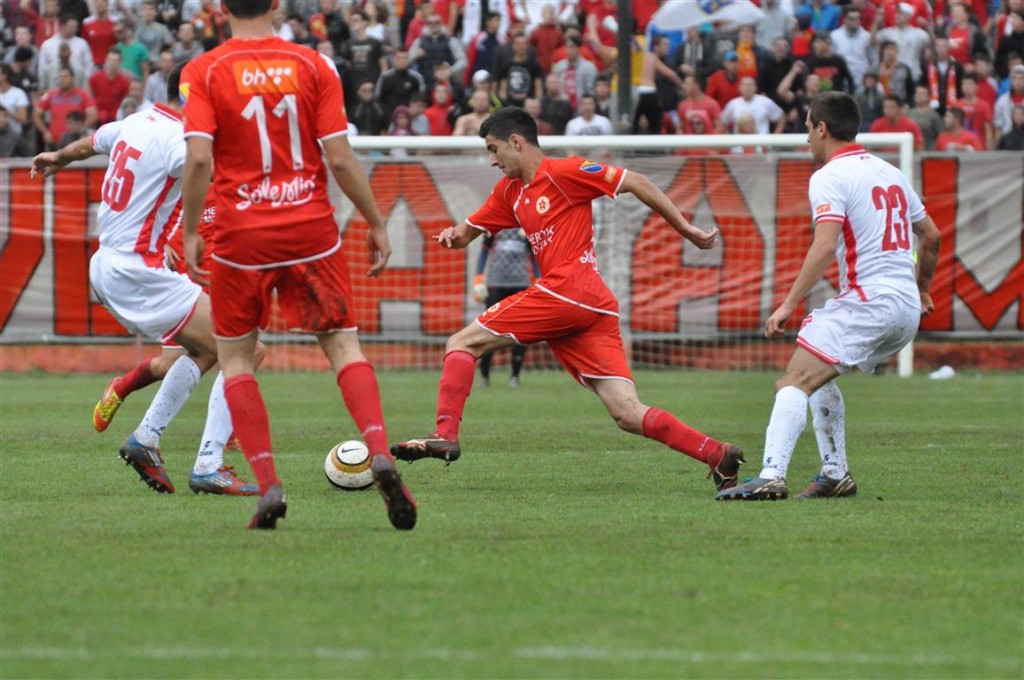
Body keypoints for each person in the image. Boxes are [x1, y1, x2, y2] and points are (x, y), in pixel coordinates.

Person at [389, 107, 746, 497]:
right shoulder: (509, 192)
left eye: (494, 150)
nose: (491, 160)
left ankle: (444, 435)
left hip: (568, 289)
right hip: (592, 306)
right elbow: (468, 231)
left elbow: (635, 180)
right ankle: (717, 453)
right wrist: (452, 236)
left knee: (461, 343)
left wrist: (687, 229)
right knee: (626, 413)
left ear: (516, 142)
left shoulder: (565, 172)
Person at [179, 0, 416, 531]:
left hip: (240, 236)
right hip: (309, 227)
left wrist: (194, 229)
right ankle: (380, 451)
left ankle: (268, 485)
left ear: (220, 8)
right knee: (342, 345)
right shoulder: (314, 65)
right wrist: (376, 222)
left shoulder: (205, 70)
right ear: (277, 4)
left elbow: (197, 159)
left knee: (237, 360)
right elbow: (338, 157)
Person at [30, 63, 259, 498]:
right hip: (138, 268)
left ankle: (146, 439)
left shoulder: (136, 121)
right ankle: (209, 464)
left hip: (109, 264)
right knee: (246, 347)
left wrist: (57, 157)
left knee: (205, 350)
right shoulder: (181, 140)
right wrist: (193, 233)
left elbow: (90, 143)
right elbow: (199, 167)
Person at [717, 91, 940, 501]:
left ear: (822, 128)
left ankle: (771, 476)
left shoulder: (829, 176)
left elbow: (823, 246)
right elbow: (931, 235)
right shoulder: (889, 171)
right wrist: (923, 289)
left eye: (806, 130)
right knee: (818, 378)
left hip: (871, 300)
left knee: (793, 381)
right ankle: (835, 474)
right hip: (905, 308)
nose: (805, 140)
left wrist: (787, 304)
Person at [471, 227, 538, 388]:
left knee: (520, 330)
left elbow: (534, 256)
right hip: (496, 284)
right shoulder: (495, 228)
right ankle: (485, 377)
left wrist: (538, 277)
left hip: (520, 284)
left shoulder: (527, 227)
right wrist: (479, 277)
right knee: (488, 328)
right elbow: (484, 252)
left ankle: (514, 376)